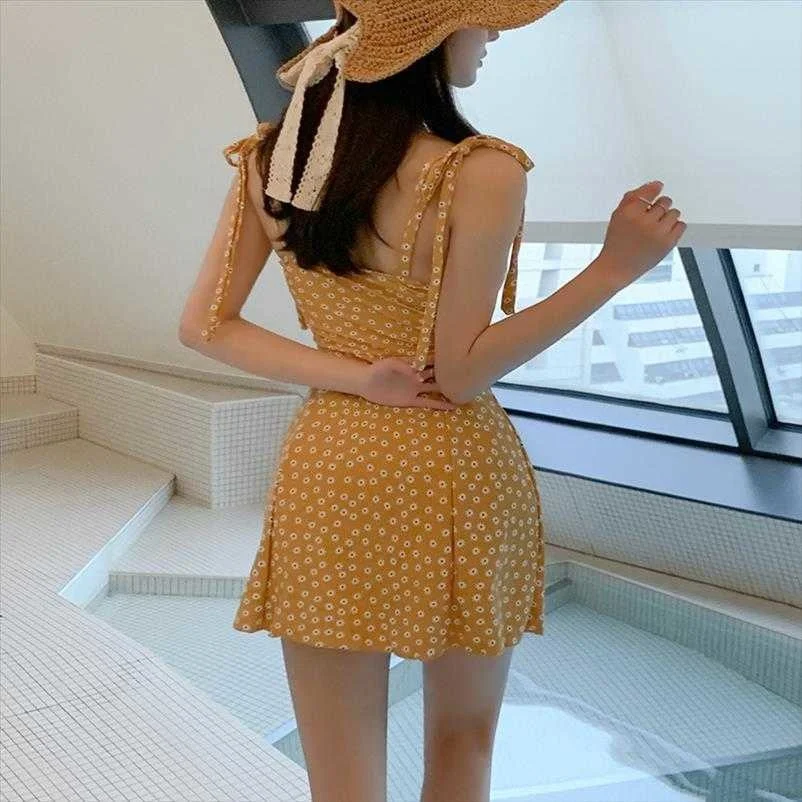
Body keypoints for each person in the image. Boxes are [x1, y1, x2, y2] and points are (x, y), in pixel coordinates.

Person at [178, 2, 686, 800]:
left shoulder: (273, 161)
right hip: (455, 471)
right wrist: (613, 268)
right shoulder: (482, 171)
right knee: (463, 748)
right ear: (429, 34)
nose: (491, 37)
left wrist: (358, 377)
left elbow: (206, 327)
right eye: (480, 19)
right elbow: (461, 373)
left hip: (334, 469)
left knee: (340, 778)